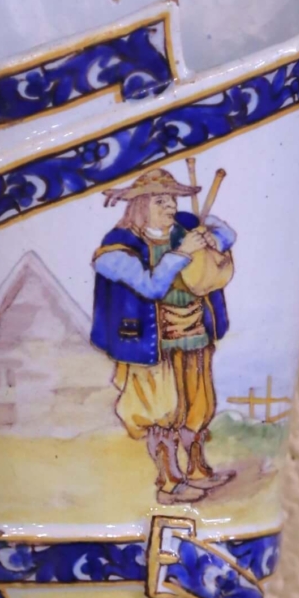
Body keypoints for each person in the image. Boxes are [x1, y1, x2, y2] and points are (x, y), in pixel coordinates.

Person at [90, 165, 236, 501]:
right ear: (141, 206)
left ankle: (197, 469)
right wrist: (182, 254)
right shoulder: (117, 249)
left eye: (172, 200)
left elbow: (226, 231)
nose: (170, 207)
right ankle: (169, 483)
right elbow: (151, 287)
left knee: (198, 405)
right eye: (160, 201)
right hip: (152, 344)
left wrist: (212, 240)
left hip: (194, 332)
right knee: (162, 411)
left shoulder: (185, 227)